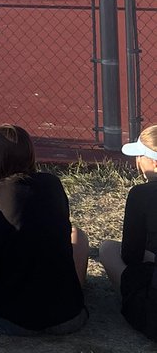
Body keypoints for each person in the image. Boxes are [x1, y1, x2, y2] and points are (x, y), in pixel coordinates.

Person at [0, 123, 88, 335]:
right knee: (78, 235)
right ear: (30, 153)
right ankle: (72, 294)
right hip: (68, 317)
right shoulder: (53, 184)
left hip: (10, 320)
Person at [100, 124, 157, 340]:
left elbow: (130, 257)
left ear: (153, 161)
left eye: (140, 156)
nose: (137, 162)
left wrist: (147, 255)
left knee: (107, 248)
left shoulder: (141, 194)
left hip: (152, 317)